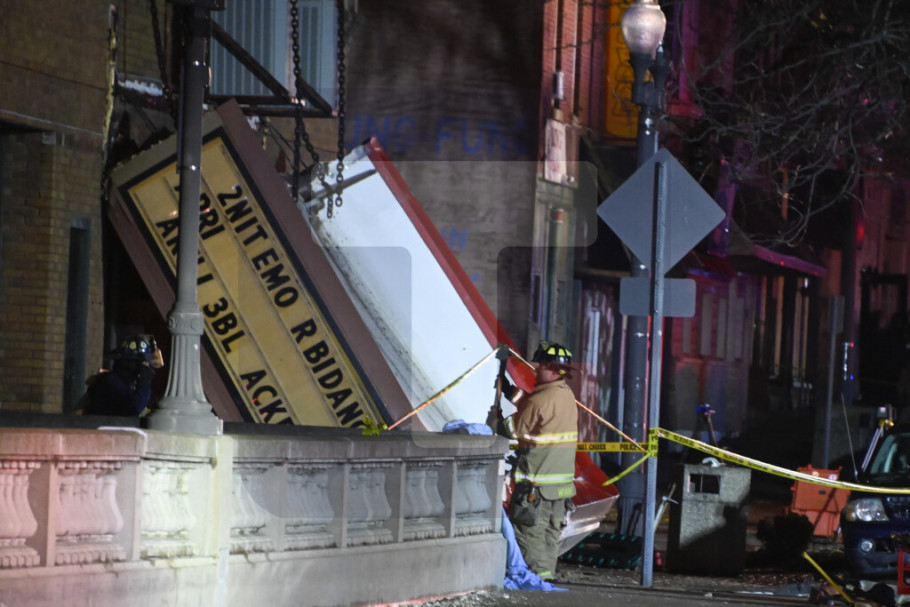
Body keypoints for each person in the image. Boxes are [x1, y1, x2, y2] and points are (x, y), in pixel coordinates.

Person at [503, 341, 579, 581]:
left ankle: (540, 582)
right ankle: (548, 577)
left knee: (529, 532)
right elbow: (536, 411)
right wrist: (511, 393)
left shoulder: (540, 400)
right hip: (560, 486)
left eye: (542, 365)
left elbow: (514, 430)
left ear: (554, 369)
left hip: (537, 483)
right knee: (549, 533)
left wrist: (495, 419)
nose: (536, 368)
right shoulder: (565, 395)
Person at [82, 334, 164, 417]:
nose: (146, 367)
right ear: (132, 362)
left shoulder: (121, 383)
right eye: (144, 363)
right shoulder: (112, 382)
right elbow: (134, 409)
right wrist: (144, 381)